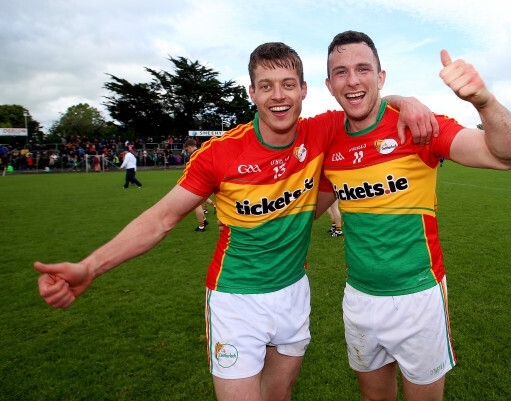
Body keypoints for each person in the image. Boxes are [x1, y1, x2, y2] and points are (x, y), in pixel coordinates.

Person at [34, 42, 433, 401]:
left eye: (288, 84)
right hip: (235, 299)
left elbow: (361, 99)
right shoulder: (218, 155)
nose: (278, 96)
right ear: (252, 92)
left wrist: (407, 100)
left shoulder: (321, 130)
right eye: (266, 85)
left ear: (305, 89)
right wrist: (90, 266)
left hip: (293, 294)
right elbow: (161, 219)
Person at [316, 31, 511, 401]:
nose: (352, 80)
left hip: (419, 297)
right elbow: (303, 210)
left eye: (363, 69)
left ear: (380, 78)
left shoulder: (418, 125)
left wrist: (483, 100)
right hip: (359, 298)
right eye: (341, 72)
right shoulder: (329, 137)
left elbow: (510, 155)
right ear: (329, 85)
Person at [182, 139, 209, 232]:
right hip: (207, 180)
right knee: (199, 203)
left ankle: (202, 226)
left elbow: (192, 171)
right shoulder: (202, 151)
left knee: (196, 205)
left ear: (189, 147)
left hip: (198, 182)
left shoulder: (191, 156)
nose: (187, 151)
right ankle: (204, 220)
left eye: (187, 149)